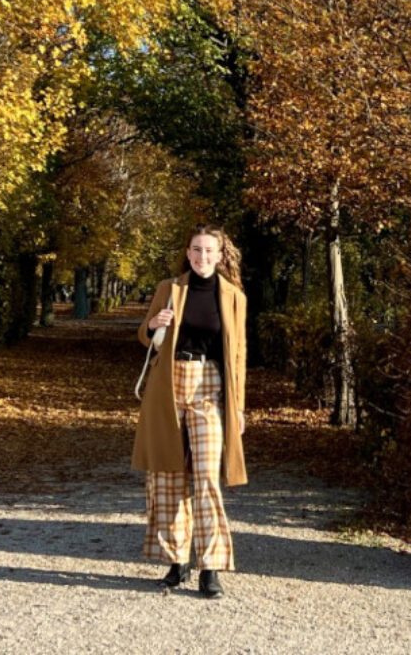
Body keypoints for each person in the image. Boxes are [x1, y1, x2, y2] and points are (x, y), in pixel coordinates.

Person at [132, 224, 247, 598]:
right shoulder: (171, 289)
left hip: (210, 388)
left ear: (220, 254)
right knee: (167, 477)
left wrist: (239, 408)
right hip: (168, 384)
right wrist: (153, 324)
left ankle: (210, 567)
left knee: (208, 478)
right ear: (188, 252)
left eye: (209, 251)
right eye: (196, 250)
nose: (202, 257)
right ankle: (177, 559)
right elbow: (144, 336)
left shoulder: (233, 297)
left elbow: (239, 356)